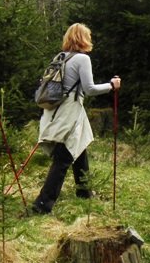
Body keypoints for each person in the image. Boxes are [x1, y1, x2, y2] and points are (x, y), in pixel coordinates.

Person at [31, 23, 121, 215]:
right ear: (83, 38)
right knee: (64, 156)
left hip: (55, 110)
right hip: (69, 112)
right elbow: (89, 89)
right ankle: (42, 203)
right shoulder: (82, 59)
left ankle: (84, 190)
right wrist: (111, 86)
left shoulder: (60, 57)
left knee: (78, 146)